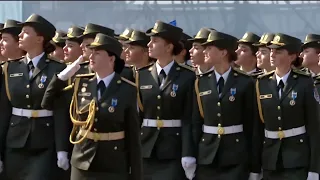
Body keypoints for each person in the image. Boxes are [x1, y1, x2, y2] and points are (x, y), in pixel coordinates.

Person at [0, 13, 70, 180]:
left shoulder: (57, 69)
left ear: (40, 39)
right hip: (14, 143)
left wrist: (62, 149)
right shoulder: (9, 69)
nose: (20, 36)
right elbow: (3, 112)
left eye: (25, 32)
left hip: (44, 144)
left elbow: (60, 111)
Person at [68, 33, 142, 180]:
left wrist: (136, 174)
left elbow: (133, 137)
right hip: (82, 159)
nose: (91, 56)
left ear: (111, 58)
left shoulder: (128, 89)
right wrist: (61, 77)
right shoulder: (82, 84)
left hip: (113, 163)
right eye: (91, 52)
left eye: (97, 53)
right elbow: (49, 101)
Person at [253, 33, 320, 180]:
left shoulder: (304, 82)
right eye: (271, 50)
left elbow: (314, 128)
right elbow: (257, 128)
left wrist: (314, 169)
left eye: (278, 51)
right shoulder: (261, 83)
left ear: (292, 57)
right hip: (270, 158)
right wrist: (255, 167)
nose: (272, 54)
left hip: (297, 158)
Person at [192, 30, 256, 180]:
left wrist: (253, 163)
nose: (205, 51)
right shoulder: (200, 82)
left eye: (209, 48)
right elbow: (195, 122)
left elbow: (251, 125)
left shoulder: (245, 82)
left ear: (223, 53)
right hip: (207, 155)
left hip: (236, 155)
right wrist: (191, 154)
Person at [136, 20, 195, 180]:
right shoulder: (141, 75)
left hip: (173, 149)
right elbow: (137, 116)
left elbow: (189, 118)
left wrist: (188, 153)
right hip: (146, 147)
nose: (149, 44)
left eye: (155, 41)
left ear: (169, 47)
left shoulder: (188, 76)